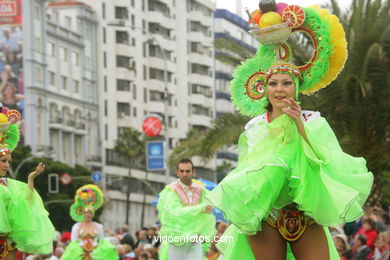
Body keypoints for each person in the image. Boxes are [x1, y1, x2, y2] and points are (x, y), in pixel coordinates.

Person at [206, 1, 373, 259]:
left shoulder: (313, 120)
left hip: (305, 213)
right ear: (265, 88)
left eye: (287, 83)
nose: (280, 89)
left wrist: (298, 126)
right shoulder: (255, 127)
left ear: (296, 87)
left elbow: (325, 161)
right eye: (273, 83)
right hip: (266, 215)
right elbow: (248, 173)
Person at [0, 104, 56, 259]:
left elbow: (28, 201)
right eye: (2, 160)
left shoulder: (9, 184)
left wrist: (31, 178)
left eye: (8, 161)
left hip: (6, 243)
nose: (6, 165)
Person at [157, 158, 216, 260]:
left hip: (194, 239)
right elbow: (174, 213)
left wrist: (203, 233)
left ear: (193, 172)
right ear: (177, 173)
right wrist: (201, 208)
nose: (185, 174)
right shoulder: (171, 190)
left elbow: (208, 215)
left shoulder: (201, 190)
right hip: (177, 239)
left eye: (187, 171)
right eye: (182, 171)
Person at [61, 184, 118, 260]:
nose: (88, 215)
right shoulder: (76, 226)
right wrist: (80, 252)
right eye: (87, 213)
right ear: (83, 213)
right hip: (80, 254)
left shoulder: (98, 226)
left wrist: (110, 248)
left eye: (90, 213)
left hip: (95, 254)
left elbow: (102, 241)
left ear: (93, 214)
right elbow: (74, 242)